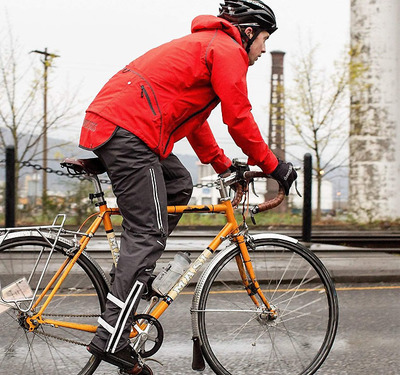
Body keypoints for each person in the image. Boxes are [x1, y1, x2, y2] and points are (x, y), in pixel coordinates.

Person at [79, 0, 297, 373]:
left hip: (126, 127)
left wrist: (224, 165)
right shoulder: (226, 50)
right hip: (131, 132)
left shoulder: (207, 46)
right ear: (248, 33)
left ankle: (131, 280)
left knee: (179, 184)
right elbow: (239, 119)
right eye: (263, 39)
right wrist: (274, 166)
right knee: (147, 233)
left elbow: (195, 123)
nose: (262, 49)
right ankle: (111, 335)